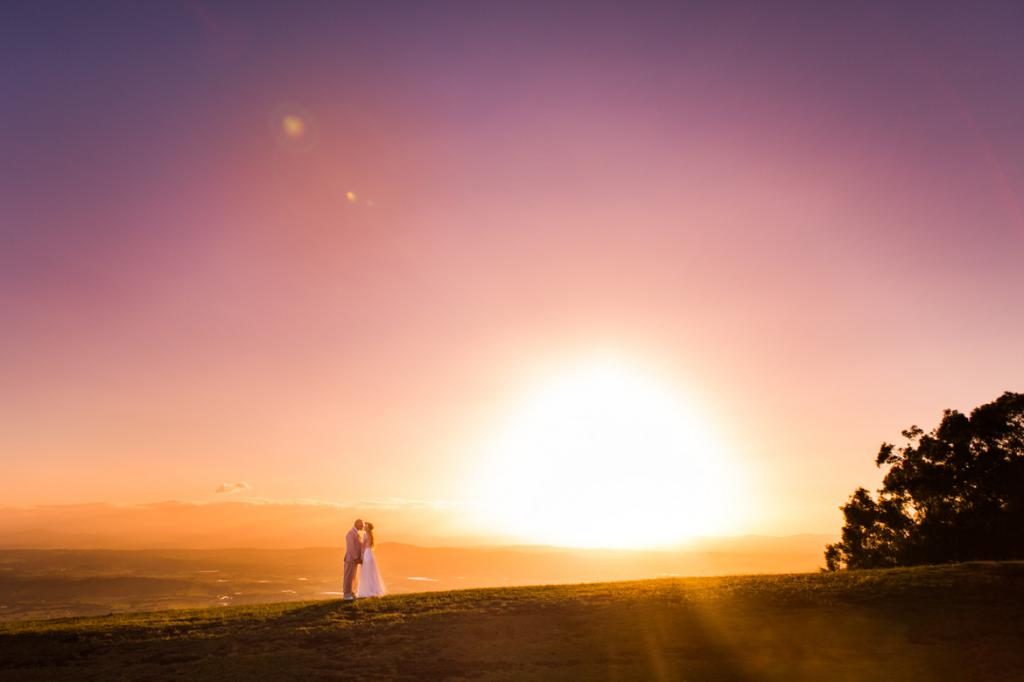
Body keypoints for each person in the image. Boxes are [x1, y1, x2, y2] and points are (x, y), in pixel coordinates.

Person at [356, 522, 386, 598]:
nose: (364, 527)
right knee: (370, 572)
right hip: (370, 553)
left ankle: (367, 590)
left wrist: (358, 539)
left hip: (366, 553)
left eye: (365, 526)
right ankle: (372, 588)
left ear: (368, 528)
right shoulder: (370, 535)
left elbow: (363, 545)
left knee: (366, 571)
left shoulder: (366, 535)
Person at [343, 518, 363, 600]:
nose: (363, 526)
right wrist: (356, 558)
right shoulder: (350, 533)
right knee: (348, 577)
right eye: (361, 524)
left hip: (354, 560)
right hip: (350, 559)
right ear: (357, 524)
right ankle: (347, 594)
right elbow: (351, 547)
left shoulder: (356, 533)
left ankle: (352, 592)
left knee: (353, 577)